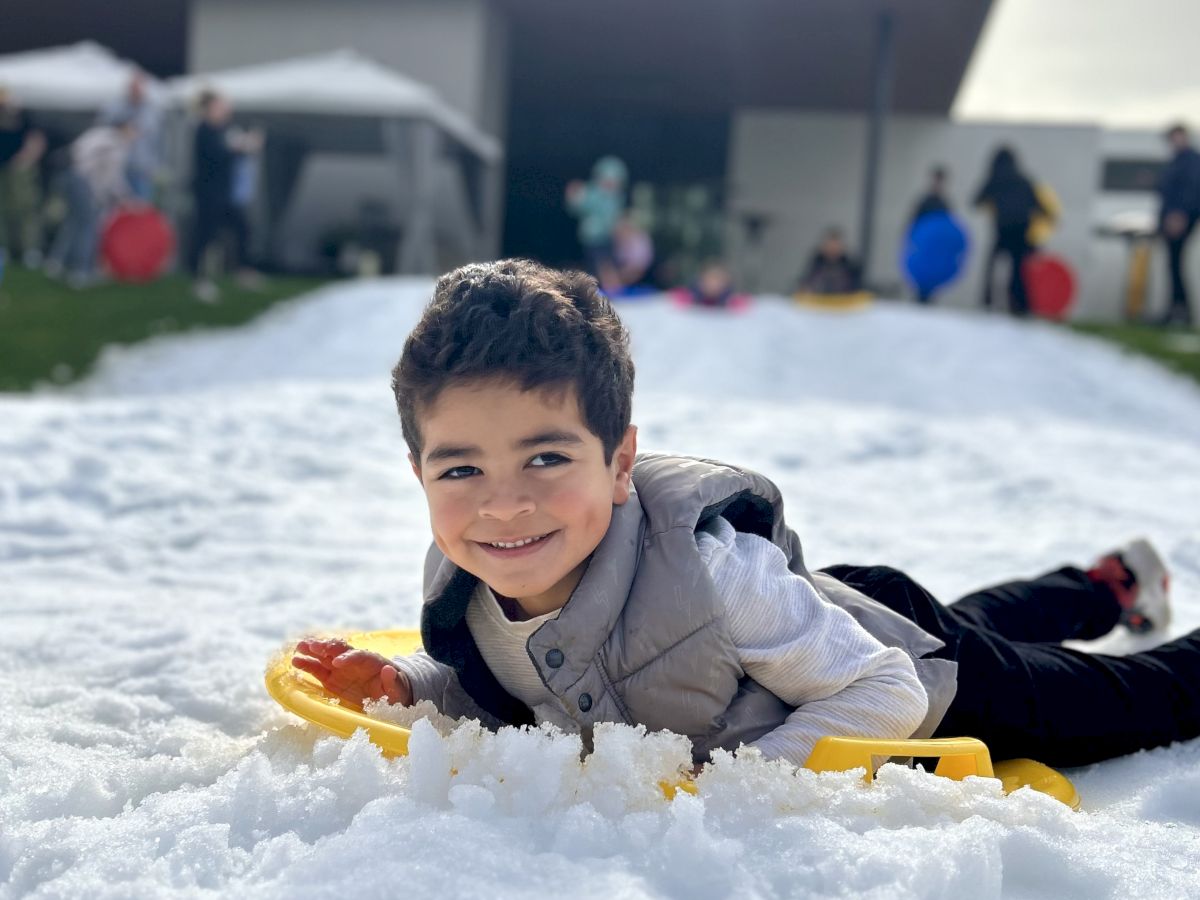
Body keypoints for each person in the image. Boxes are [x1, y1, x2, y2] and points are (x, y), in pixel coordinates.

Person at [293, 258, 1200, 772]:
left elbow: (890, 688)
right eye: (460, 467)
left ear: (619, 463)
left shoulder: (715, 578)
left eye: (545, 456)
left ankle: (1140, 624)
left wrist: (745, 783)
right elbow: (517, 684)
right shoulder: (474, 581)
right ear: (418, 472)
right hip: (828, 625)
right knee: (972, 619)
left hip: (924, 674)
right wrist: (407, 685)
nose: (504, 502)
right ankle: (1104, 584)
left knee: (1124, 701)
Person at [44, 116, 139, 288]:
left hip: (69, 176)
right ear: (124, 128)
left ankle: (55, 264)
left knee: (73, 222)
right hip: (82, 181)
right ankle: (80, 272)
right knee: (88, 226)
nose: (135, 134)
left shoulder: (101, 134)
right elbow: (111, 177)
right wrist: (125, 198)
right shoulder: (116, 143)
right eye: (133, 129)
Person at [188, 90, 263, 303]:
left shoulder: (224, 130)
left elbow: (234, 152)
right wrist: (239, 147)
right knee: (205, 236)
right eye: (220, 106)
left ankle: (243, 271)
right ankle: (199, 280)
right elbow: (218, 155)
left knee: (243, 228)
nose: (225, 111)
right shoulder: (205, 131)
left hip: (225, 194)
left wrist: (246, 147)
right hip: (208, 194)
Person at [973, 146, 1045, 316]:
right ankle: (1019, 305)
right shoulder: (1024, 180)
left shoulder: (995, 179)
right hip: (1022, 232)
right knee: (1019, 270)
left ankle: (987, 300)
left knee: (991, 265)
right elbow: (1040, 206)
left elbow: (976, 201)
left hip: (1003, 230)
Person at [1156, 124, 1200, 327]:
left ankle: (1181, 312)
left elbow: (1191, 190)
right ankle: (1177, 310)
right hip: (1171, 218)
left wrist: (1179, 214)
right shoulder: (1176, 160)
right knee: (1173, 266)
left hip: (1181, 219)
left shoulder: (1190, 160)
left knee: (1176, 266)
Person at [98, 72, 163, 203]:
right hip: (117, 168)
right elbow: (103, 130)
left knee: (140, 208)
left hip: (142, 169)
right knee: (116, 207)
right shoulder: (115, 107)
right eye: (134, 88)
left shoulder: (152, 111)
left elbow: (158, 141)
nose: (137, 92)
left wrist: (155, 165)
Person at [565, 156, 628, 292]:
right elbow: (576, 206)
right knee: (599, 264)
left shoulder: (616, 198)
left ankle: (611, 288)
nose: (611, 184)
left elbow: (614, 217)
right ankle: (603, 289)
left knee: (608, 264)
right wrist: (573, 196)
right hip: (592, 239)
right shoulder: (592, 194)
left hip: (608, 238)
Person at [0, 87, 47, 267]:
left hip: (20, 168)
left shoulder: (22, 115)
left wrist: (26, 159)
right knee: (3, 210)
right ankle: (6, 248)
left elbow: (37, 138)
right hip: (2, 167)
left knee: (24, 208)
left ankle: (30, 250)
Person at [798, 228, 862, 294]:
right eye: (829, 245)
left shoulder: (851, 267)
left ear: (842, 247)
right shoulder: (816, 265)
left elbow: (858, 288)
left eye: (836, 245)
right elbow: (806, 282)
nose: (832, 248)